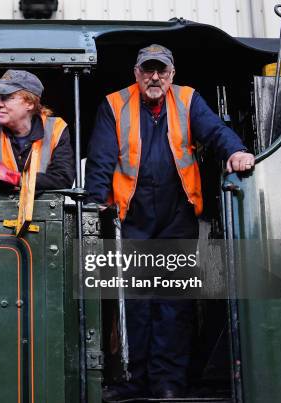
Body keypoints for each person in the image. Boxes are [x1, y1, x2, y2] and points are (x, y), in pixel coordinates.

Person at [84, 44, 255, 400]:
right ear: (136, 73)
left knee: (173, 305)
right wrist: (96, 200)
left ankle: (168, 383)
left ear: (172, 74)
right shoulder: (114, 104)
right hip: (131, 218)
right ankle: (133, 380)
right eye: (148, 70)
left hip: (177, 215)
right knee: (134, 303)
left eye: (161, 70)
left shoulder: (189, 99)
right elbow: (101, 157)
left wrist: (236, 151)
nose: (155, 77)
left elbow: (215, 132)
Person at [0, 69, 74, 191]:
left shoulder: (56, 129)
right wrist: (37, 183)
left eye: (7, 97)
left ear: (30, 103)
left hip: (42, 210)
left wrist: (17, 179)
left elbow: (63, 179)